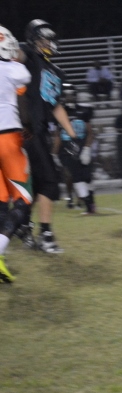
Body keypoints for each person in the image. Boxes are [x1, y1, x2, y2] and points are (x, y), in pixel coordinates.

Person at [18, 19, 80, 253]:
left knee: (34, 186)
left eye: (50, 39)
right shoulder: (27, 56)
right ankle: (46, 236)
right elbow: (14, 56)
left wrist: (72, 135)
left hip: (40, 131)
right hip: (27, 129)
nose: (48, 43)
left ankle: (22, 225)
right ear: (33, 40)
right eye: (44, 38)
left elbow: (55, 105)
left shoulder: (55, 71)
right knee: (50, 183)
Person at [0, 26, 33, 282]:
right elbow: (23, 97)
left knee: (1, 203)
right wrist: (28, 126)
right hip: (8, 138)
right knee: (23, 200)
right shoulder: (14, 69)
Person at [52, 84, 97, 214]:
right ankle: (89, 206)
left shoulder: (84, 111)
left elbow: (90, 132)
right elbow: (58, 135)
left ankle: (91, 205)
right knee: (77, 177)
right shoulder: (59, 112)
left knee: (87, 177)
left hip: (82, 146)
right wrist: (54, 153)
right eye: (67, 95)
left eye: (71, 94)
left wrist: (87, 148)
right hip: (67, 149)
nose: (69, 97)